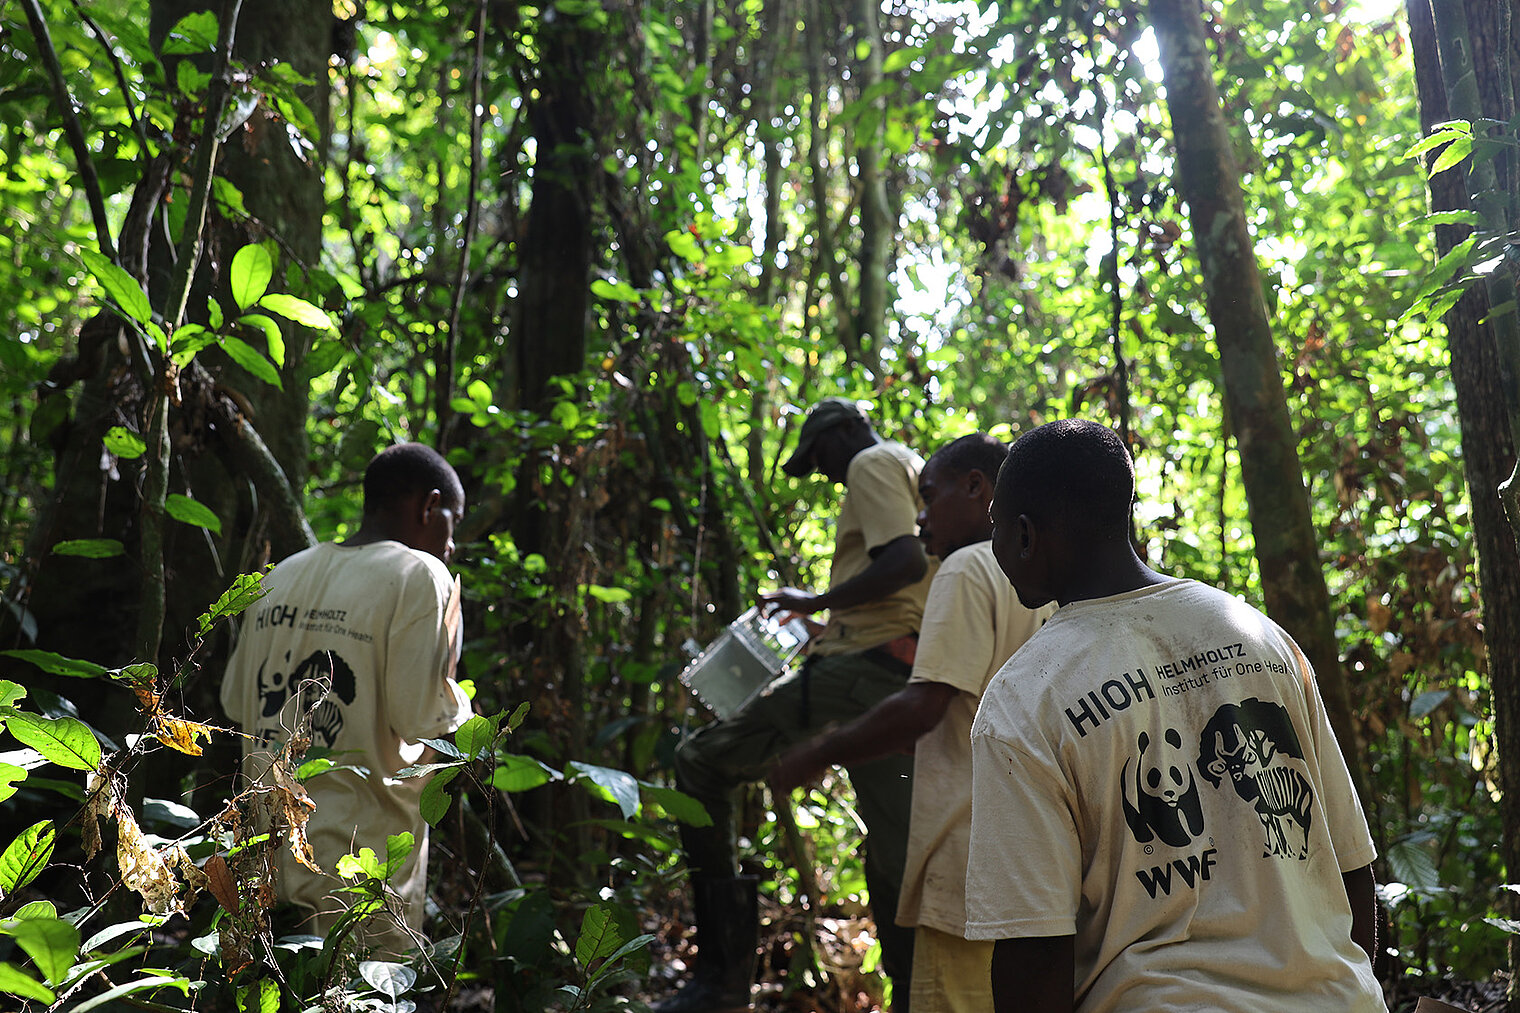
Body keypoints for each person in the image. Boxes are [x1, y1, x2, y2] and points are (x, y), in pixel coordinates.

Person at [965, 419, 1386, 1012]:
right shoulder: (1258, 637)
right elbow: (1349, 865)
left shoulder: (1024, 697)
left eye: (997, 529)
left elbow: (1033, 950)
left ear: (1026, 536)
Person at [657, 397, 935, 1013]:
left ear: (843, 434)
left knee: (700, 764)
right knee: (898, 863)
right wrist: (829, 622)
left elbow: (905, 561)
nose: (826, 474)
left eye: (819, 458)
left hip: (864, 669)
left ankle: (721, 981)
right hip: (900, 670)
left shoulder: (872, 461)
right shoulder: (916, 470)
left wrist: (813, 603)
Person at [770, 432, 1052, 1013]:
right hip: (1037, 857)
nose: (919, 518)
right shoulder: (1045, 580)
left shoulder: (967, 568)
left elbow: (923, 706)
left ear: (976, 488)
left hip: (966, 853)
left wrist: (814, 753)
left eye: (928, 496)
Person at [221, 442, 472, 956]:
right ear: (429, 507)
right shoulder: (421, 575)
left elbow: (233, 704)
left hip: (263, 862)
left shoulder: (281, 575)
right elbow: (420, 717)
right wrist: (466, 712)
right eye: (453, 521)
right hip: (356, 868)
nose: (451, 544)